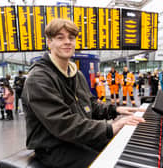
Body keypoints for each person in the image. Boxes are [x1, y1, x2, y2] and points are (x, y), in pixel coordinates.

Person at [22, 19, 145, 168]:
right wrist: (110, 127)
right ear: (49, 42)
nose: (67, 42)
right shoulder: (39, 78)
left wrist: (115, 110)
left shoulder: (76, 74)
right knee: (106, 164)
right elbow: (63, 123)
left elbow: (90, 105)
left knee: (124, 150)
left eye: (71, 38)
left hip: (79, 137)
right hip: (54, 147)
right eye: (60, 37)